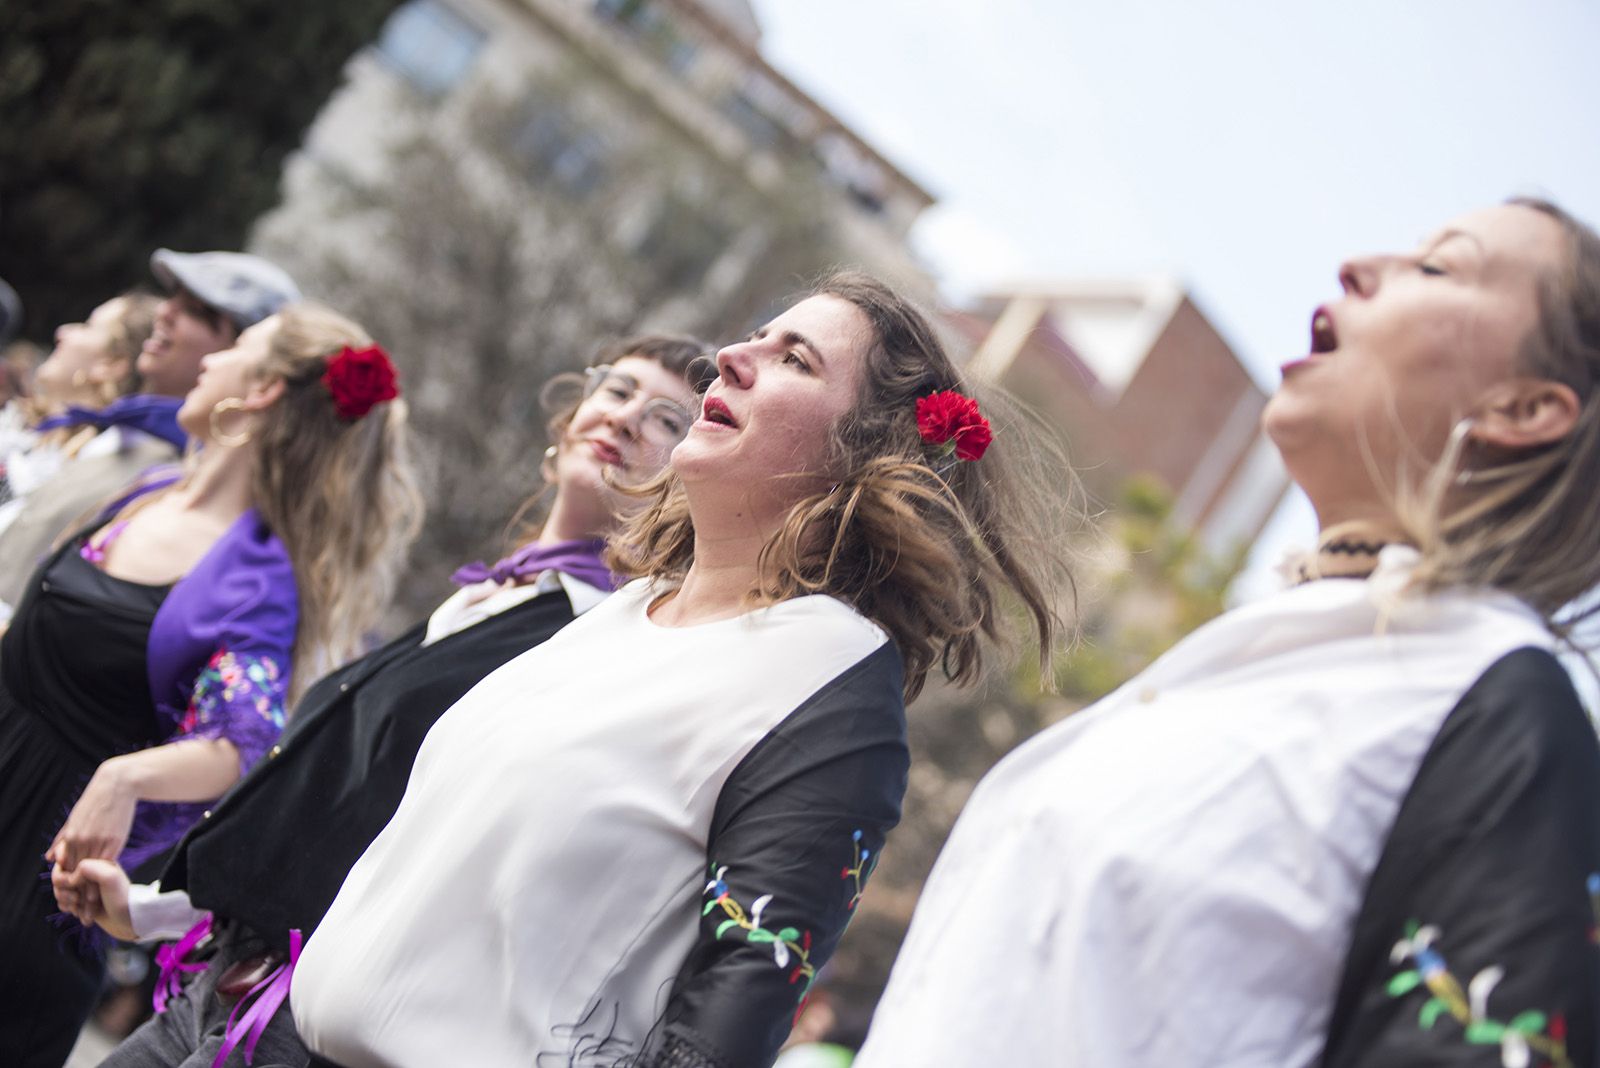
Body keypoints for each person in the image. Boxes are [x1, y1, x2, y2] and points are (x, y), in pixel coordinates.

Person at [856, 199, 1600, 1068]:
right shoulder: (1271, 656)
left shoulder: (1502, 719)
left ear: (1523, 408)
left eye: (1439, 266)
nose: (1358, 265)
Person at [286, 272, 1077, 1068]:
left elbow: (730, 1014)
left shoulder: (831, 682)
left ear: (867, 450)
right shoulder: (625, 610)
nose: (729, 358)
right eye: (755, 337)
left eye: (794, 359)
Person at [55, 335, 715, 1068]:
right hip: (222, 983)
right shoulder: (493, 595)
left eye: (666, 420)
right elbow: (341, 807)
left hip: (302, 1025)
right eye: (617, 390)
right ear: (568, 422)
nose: (625, 418)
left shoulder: (596, 647)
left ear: (688, 480)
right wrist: (152, 908)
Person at [0, 303, 419, 1068]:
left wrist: (124, 778)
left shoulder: (256, 573)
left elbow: (241, 740)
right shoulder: (151, 489)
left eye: (240, 347)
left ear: (261, 391)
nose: (208, 361)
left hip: (28, 882)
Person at [0, 249, 299, 615]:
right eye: (173, 299)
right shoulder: (117, 431)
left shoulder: (183, 477)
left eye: (195, 311)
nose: (165, 312)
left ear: (246, 362)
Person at [0, 293, 160, 549]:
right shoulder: (20, 426)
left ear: (112, 364)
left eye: (87, 326)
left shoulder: (99, 464)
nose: (63, 331)